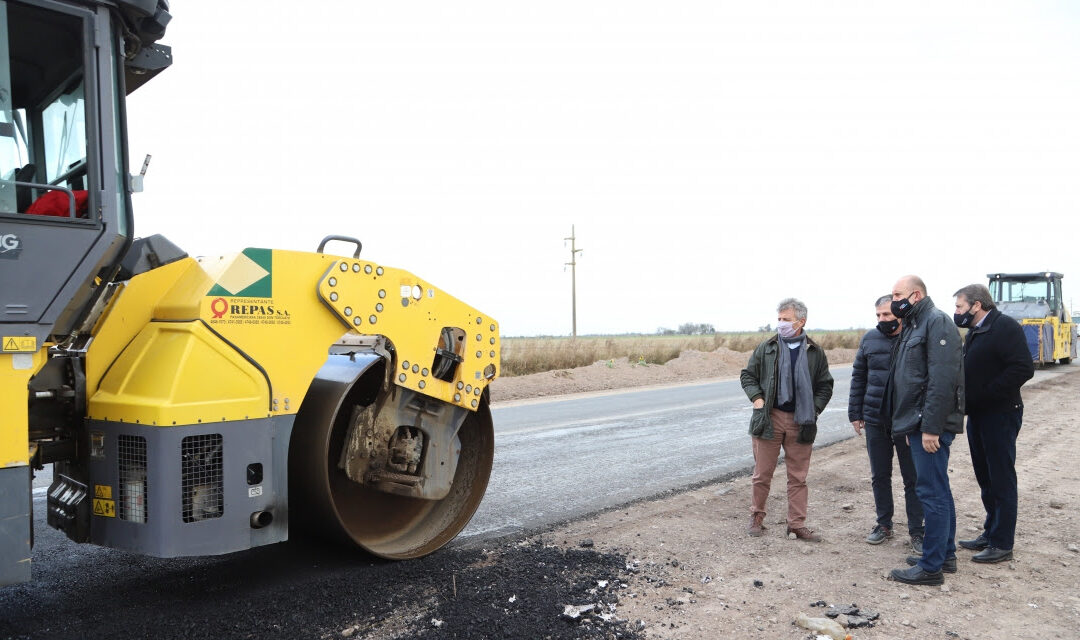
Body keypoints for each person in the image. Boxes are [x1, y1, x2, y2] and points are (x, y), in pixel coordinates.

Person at [885, 275, 965, 586]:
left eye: (898, 294)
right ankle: (944, 555)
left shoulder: (936, 322)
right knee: (937, 489)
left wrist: (930, 428)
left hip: (929, 426)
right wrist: (908, 424)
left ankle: (931, 567)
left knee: (931, 493)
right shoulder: (914, 325)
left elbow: (941, 382)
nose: (894, 300)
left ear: (916, 295)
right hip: (917, 424)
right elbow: (910, 380)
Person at [953, 284, 1034, 564]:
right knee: (985, 478)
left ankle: (1002, 542)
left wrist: (987, 394)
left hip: (1000, 414)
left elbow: (1023, 368)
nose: (957, 312)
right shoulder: (976, 331)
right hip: (979, 415)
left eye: (959, 307)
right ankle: (990, 531)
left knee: (1001, 478)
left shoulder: (1005, 327)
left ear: (977, 305)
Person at [741, 298, 834, 541]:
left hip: (801, 421)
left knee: (798, 477)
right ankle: (757, 516)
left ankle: (796, 524)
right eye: (779, 319)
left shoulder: (814, 351)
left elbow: (825, 385)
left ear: (801, 322)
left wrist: (813, 411)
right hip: (769, 418)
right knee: (762, 474)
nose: (781, 324)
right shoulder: (767, 347)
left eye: (786, 320)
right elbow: (748, 375)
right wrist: (757, 399)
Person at [849, 295, 924, 552]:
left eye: (887, 316)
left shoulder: (915, 338)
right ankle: (884, 524)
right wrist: (855, 413)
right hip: (875, 420)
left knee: (912, 478)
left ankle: (917, 530)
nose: (882, 320)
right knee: (880, 476)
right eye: (878, 315)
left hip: (906, 423)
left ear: (900, 315)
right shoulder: (869, 339)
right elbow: (859, 377)